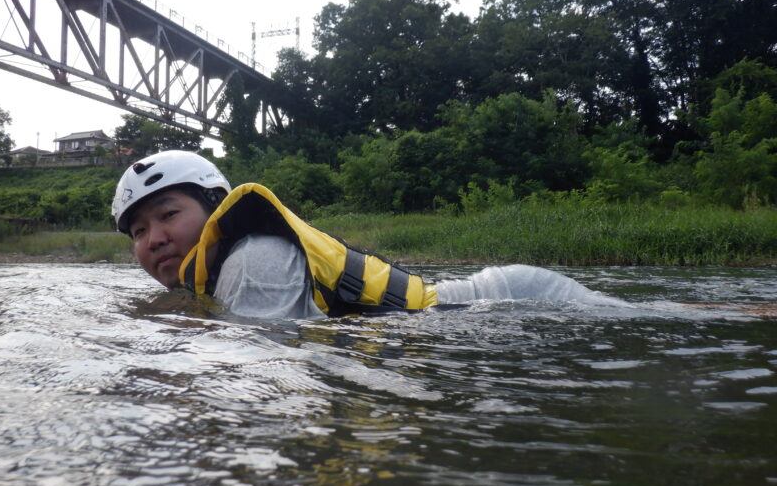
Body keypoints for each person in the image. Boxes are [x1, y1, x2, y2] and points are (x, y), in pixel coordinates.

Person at [112, 151, 620, 319]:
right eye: (138, 231)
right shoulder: (216, 275)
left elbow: (263, 386)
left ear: (214, 208)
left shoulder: (253, 262)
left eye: (168, 214)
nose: (153, 238)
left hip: (515, 297)